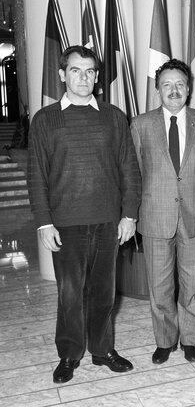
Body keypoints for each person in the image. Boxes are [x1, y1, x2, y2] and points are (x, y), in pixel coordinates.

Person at [27, 45, 141, 384]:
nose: (84, 77)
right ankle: (69, 353)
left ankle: (102, 350)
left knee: (104, 292)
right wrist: (44, 222)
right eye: (76, 70)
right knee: (71, 294)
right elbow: (37, 175)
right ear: (62, 74)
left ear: (97, 76)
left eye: (90, 71)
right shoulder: (45, 120)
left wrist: (130, 215)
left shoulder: (113, 116)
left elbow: (129, 170)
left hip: (108, 221)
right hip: (65, 223)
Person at [130, 59, 195, 364]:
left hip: (193, 216)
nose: (174, 90)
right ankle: (165, 340)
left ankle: (190, 340)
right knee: (160, 285)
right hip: (154, 216)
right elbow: (135, 172)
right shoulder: (140, 125)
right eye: (166, 84)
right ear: (157, 89)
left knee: (193, 285)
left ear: (189, 88)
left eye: (180, 83)